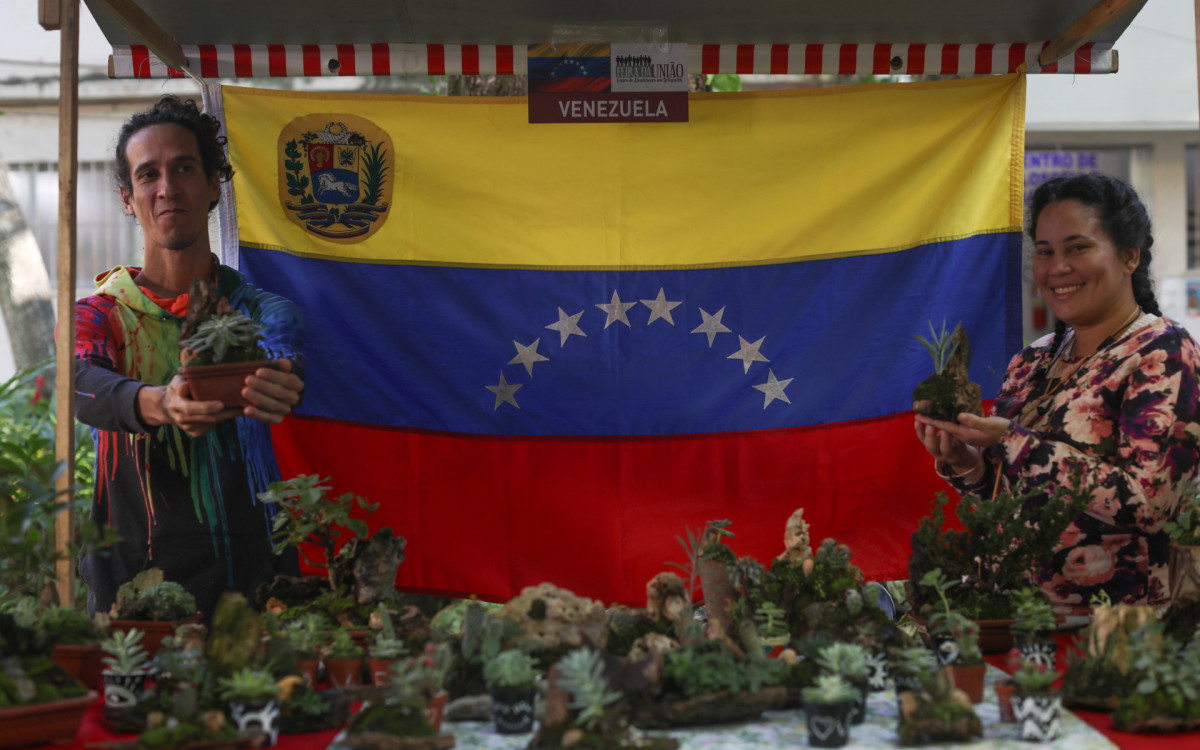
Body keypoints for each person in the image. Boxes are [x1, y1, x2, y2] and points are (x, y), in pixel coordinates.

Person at [915, 173, 1200, 615]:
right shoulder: (1033, 360)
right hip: (1014, 617)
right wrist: (969, 465)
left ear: (1129, 256)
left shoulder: (1162, 352)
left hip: (1114, 629)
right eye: (1045, 251)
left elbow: (1150, 505)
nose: (1057, 268)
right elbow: (1012, 498)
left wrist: (1012, 442)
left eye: (1078, 247)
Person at [73, 95, 305, 622]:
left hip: (254, 585)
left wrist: (284, 380)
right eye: (148, 175)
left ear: (214, 185)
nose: (167, 188)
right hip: (130, 591)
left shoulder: (263, 311)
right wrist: (161, 402)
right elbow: (81, 385)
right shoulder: (99, 315)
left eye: (183, 169)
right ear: (128, 198)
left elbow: (282, 358)